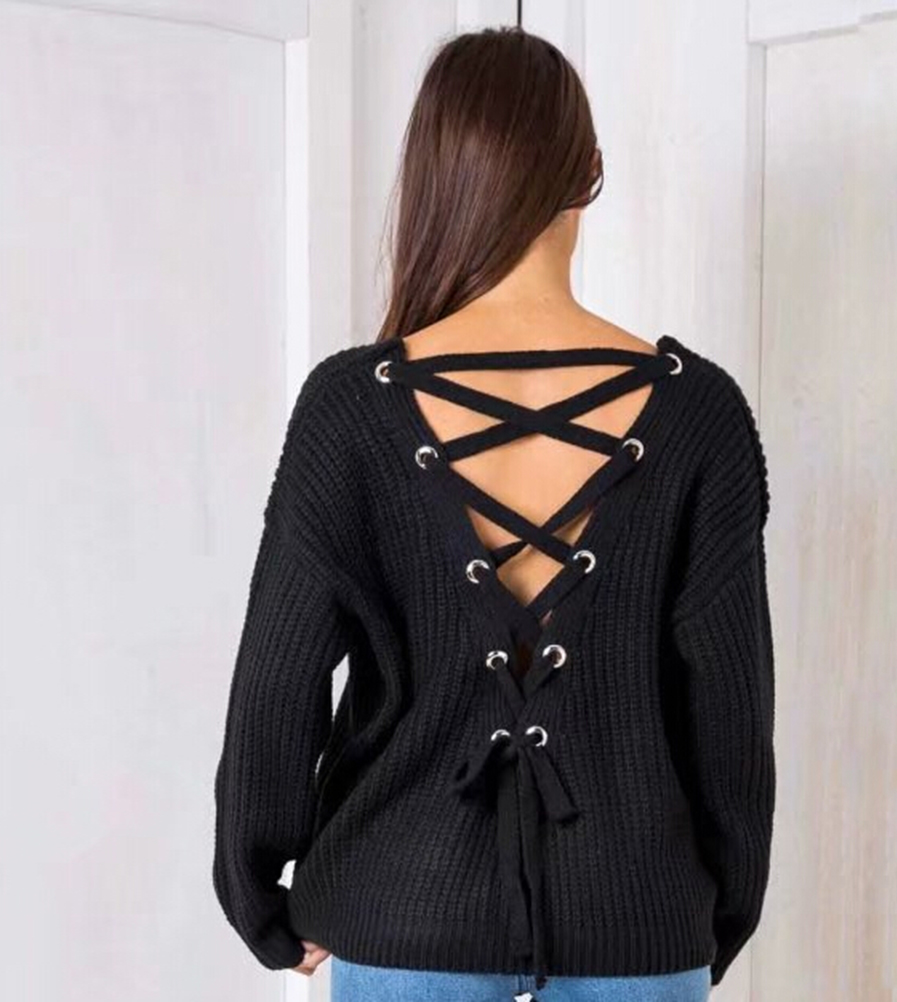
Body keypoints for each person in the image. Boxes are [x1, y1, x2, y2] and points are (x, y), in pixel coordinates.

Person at [212, 25, 776, 1002]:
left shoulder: (349, 408)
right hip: (637, 917)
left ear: (434, 178)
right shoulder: (699, 414)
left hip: (400, 908)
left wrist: (256, 893)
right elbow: (731, 714)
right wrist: (710, 916)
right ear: (589, 174)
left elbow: (276, 683)